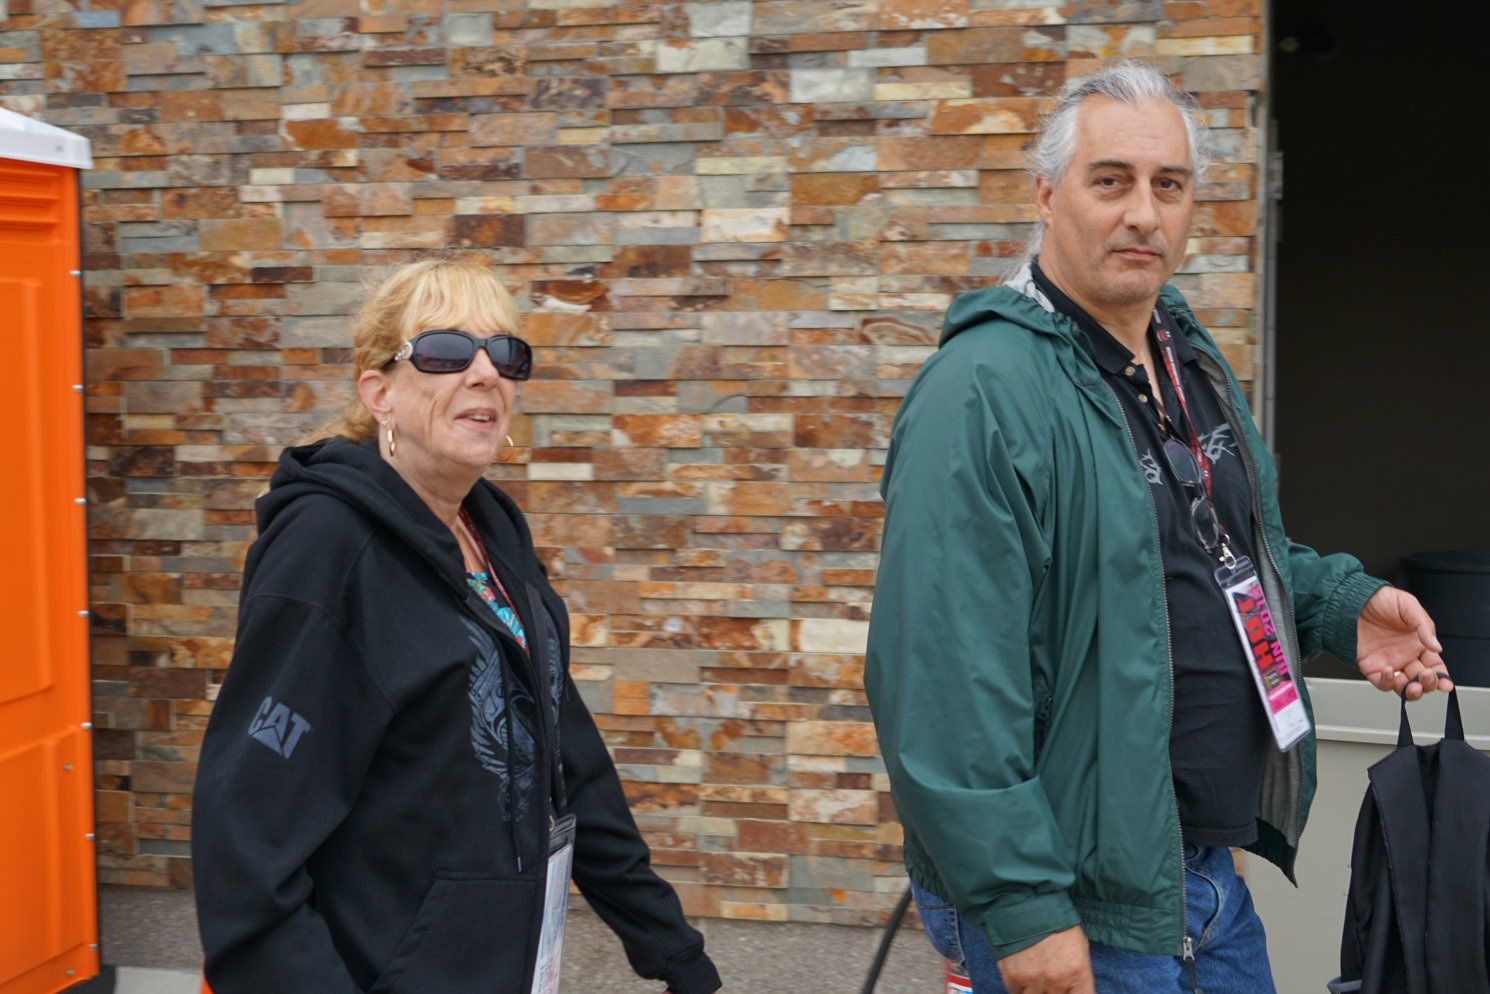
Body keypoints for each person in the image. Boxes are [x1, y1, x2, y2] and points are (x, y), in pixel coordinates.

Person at [863, 61, 1451, 994]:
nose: (1144, 212)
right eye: (1113, 181)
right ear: (1048, 195)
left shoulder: (1184, 355)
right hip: (1079, 900)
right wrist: (1025, 913)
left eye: (1168, 185)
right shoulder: (982, 392)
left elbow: (1219, 553)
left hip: (1198, 875)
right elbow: (942, 682)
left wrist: (1347, 606)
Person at [191, 256, 721, 994]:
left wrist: (675, 956)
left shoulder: (492, 529)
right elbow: (246, 834)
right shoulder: (328, 547)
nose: (485, 374)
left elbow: (567, 759)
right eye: (444, 351)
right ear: (378, 391)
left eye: (505, 354)